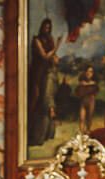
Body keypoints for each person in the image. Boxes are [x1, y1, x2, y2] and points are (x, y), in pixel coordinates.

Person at [28, 18, 62, 147]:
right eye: (45, 27)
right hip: (38, 72)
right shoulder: (37, 39)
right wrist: (57, 46)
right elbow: (45, 56)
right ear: (42, 27)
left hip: (47, 72)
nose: (47, 30)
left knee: (48, 100)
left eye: (49, 28)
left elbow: (52, 57)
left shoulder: (50, 40)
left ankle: (47, 133)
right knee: (38, 99)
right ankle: (35, 133)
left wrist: (55, 55)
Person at [75, 65, 98, 135]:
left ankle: (88, 132)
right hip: (83, 102)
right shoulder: (81, 83)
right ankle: (81, 133)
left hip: (91, 102)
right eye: (87, 71)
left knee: (89, 118)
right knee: (82, 118)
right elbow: (78, 93)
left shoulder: (94, 84)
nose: (89, 73)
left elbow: (95, 92)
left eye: (91, 72)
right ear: (85, 73)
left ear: (93, 73)